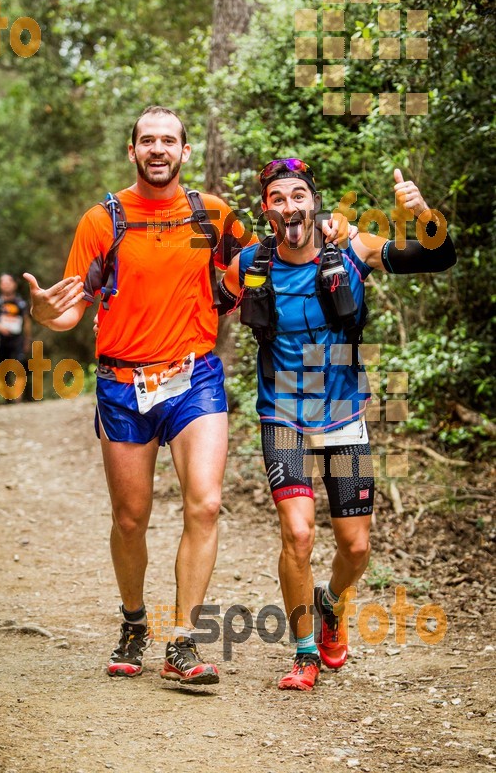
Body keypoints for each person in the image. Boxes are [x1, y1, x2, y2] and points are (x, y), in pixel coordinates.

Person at [23, 106, 252, 686]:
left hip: (195, 377)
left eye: (168, 140)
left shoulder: (215, 215)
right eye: (147, 140)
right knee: (131, 519)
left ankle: (183, 640)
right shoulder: (103, 221)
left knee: (204, 502)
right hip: (123, 383)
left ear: (185, 152)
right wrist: (43, 312)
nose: (158, 149)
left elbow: (255, 268)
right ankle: (133, 622)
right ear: (132, 152)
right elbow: (72, 304)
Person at [218, 158, 456, 691]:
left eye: (298, 195)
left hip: (345, 414)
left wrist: (424, 216)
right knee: (298, 534)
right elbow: (197, 308)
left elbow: (439, 257)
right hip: (282, 415)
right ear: (266, 210)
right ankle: (303, 651)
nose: (289, 206)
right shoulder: (250, 264)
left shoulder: (352, 250)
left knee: (354, 548)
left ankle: (331, 605)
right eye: (277, 198)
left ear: (314, 203)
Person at [0, 273, 32, 399]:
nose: (6, 285)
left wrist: (27, 340)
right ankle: (7, 396)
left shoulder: (21, 303)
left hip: (18, 338)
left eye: (8, 282)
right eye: (3, 282)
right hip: (2, 339)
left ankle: (18, 397)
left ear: (14, 284)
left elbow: (27, 322)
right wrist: (0, 328)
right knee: (3, 366)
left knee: (19, 365)